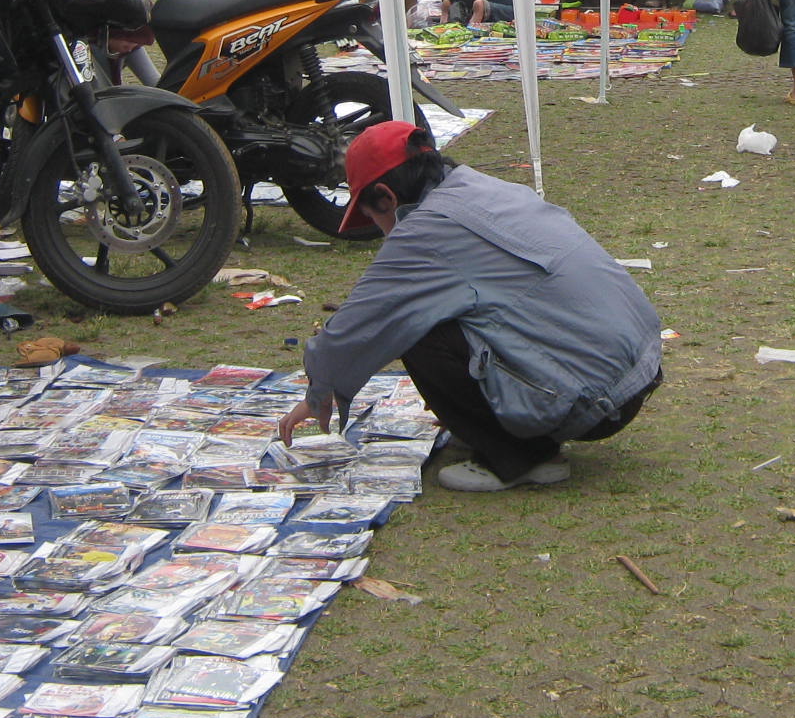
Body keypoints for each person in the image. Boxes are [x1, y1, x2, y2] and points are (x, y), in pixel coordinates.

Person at [278, 123, 663, 492]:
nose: (376, 228)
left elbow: (361, 323)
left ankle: (518, 458)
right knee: (448, 310)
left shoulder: (425, 230)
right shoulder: (482, 186)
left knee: (416, 327)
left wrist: (320, 391)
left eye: (370, 216)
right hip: (640, 368)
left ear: (387, 197)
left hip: (594, 402)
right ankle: (508, 433)